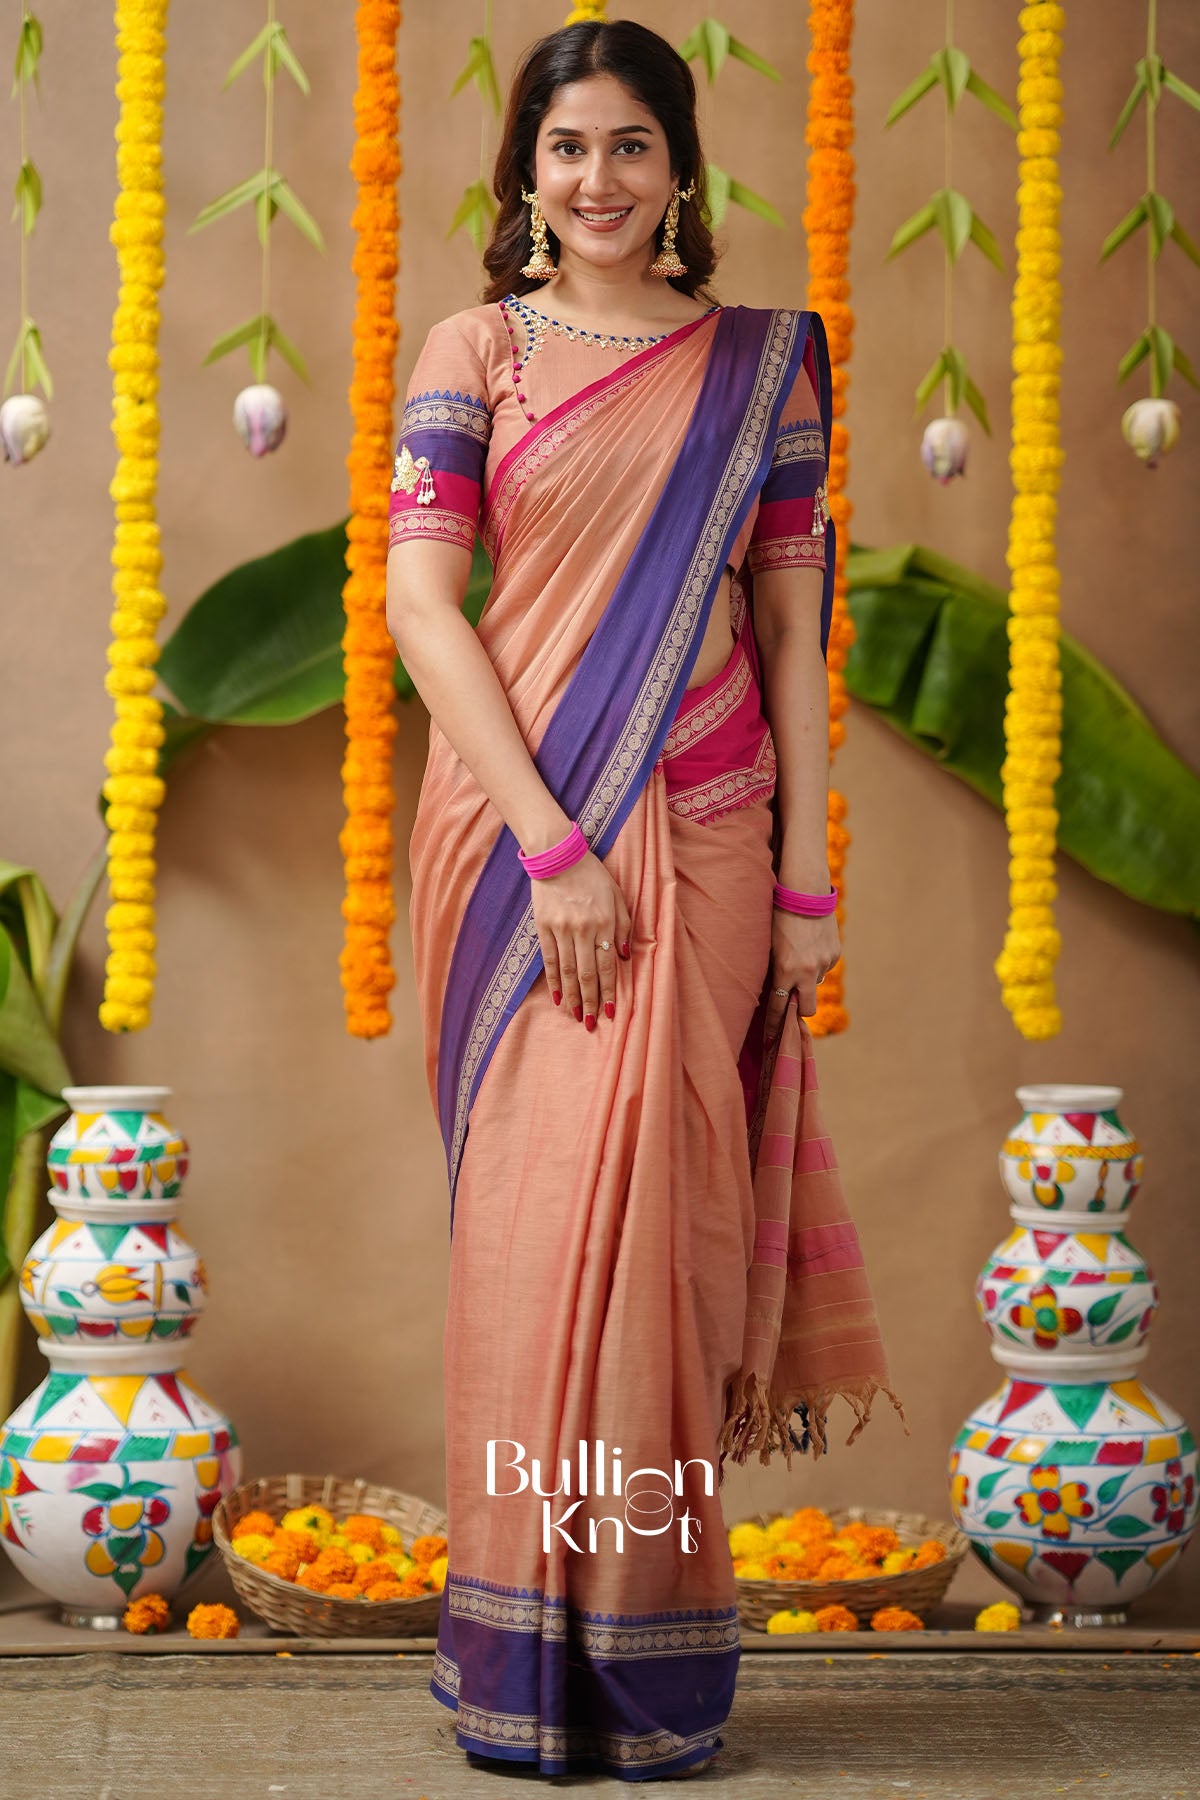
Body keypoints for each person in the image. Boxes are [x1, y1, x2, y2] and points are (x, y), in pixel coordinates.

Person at [385, 18, 901, 1783]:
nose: (596, 183)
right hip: (522, 856)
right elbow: (425, 612)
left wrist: (815, 892)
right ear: (523, 180)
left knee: (661, 1258)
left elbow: (786, 629)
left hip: (715, 841)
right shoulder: (478, 354)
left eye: (629, 149)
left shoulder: (763, 367)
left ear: (684, 171)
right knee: (535, 1266)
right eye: (564, 151)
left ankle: (654, 1668)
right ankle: (528, 1663)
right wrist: (549, 840)